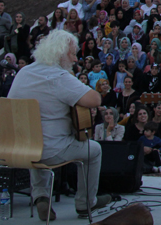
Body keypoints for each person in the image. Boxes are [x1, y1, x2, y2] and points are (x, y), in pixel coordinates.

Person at [7, 29, 111, 221]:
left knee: (36, 141)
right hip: (50, 149)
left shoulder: (23, 72)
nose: (75, 59)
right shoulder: (59, 77)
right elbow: (94, 99)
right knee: (94, 150)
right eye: (72, 54)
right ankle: (85, 203)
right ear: (60, 53)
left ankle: (40, 196)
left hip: (16, 146)